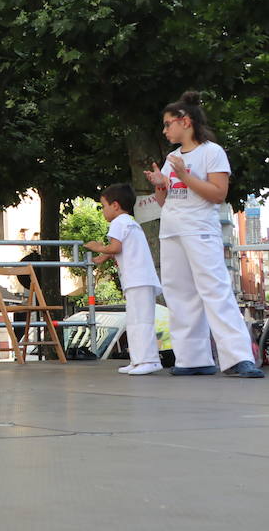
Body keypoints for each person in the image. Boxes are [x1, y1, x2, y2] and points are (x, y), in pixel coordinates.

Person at [144, 91, 263, 378]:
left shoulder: (212, 151)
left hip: (200, 229)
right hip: (172, 230)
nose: (165, 130)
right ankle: (192, 358)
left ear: (185, 122)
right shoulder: (172, 156)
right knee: (179, 294)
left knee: (215, 290)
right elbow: (166, 202)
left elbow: (218, 194)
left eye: (168, 123)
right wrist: (161, 185)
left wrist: (185, 176)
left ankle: (237, 358)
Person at [85, 183, 162, 375]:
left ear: (115, 205)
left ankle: (149, 360)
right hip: (138, 279)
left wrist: (98, 248)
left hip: (138, 279)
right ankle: (138, 360)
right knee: (135, 320)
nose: (103, 211)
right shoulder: (130, 222)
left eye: (104, 206)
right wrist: (104, 256)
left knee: (141, 321)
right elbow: (120, 248)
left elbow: (115, 247)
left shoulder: (118, 222)